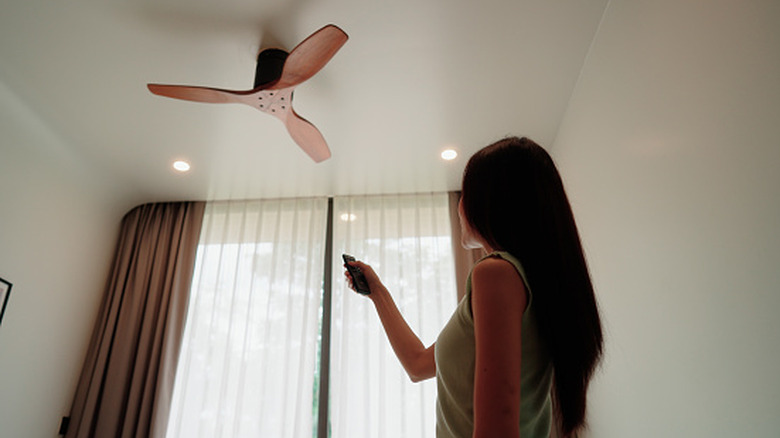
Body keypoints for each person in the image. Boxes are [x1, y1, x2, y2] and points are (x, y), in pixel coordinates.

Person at [344, 136, 603, 438]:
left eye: (466, 192)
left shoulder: (496, 273)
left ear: (491, 200)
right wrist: (377, 293)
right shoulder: (529, 280)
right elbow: (418, 365)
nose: (461, 205)